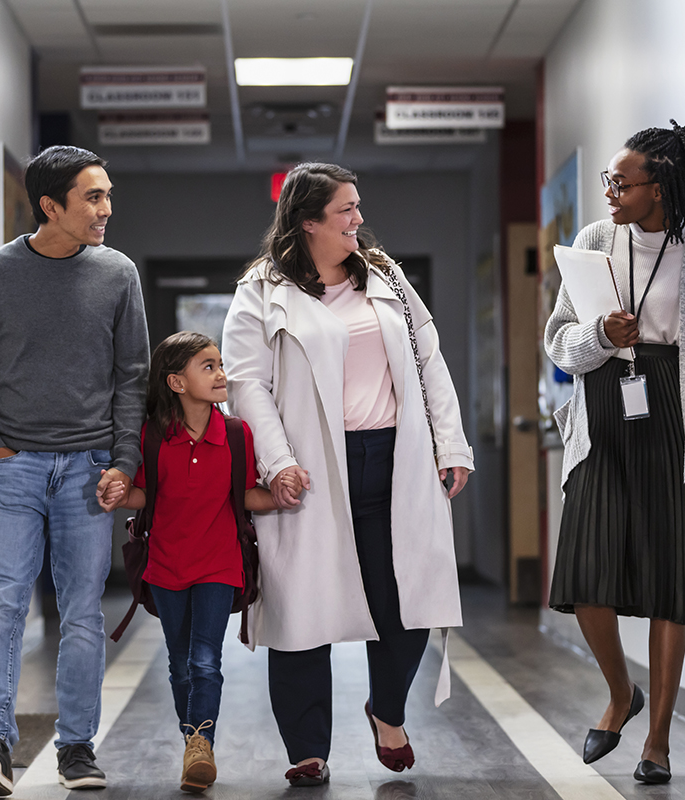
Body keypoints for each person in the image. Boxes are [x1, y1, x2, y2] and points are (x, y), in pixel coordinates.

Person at [221, 163, 474, 787]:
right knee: (302, 606)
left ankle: (386, 711)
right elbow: (248, 386)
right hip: (312, 470)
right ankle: (306, 748)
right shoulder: (262, 289)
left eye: (358, 207)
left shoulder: (384, 276)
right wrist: (277, 462)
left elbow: (428, 360)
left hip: (395, 458)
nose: (359, 219)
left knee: (408, 599)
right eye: (346, 210)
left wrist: (452, 444)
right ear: (309, 223)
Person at [543, 121, 685, 785]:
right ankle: (619, 692)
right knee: (585, 574)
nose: (609, 193)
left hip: (671, 421)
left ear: (658, 188)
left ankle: (656, 741)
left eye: (621, 183)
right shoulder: (595, 242)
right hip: (603, 416)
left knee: (668, 586)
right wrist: (601, 333)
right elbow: (559, 345)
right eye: (608, 180)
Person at [0, 145, 149, 796]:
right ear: (50, 206)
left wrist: (122, 460)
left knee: (83, 612)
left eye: (108, 194)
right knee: (3, 603)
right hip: (13, 470)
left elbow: (133, 378)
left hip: (89, 469)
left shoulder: (118, 274)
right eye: (93, 197)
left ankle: (77, 748)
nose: (107, 209)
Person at [99, 332, 296, 794]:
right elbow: (147, 495)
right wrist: (118, 493)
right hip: (166, 565)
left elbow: (244, 494)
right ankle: (194, 742)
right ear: (176, 382)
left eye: (221, 364)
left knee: (205, 659)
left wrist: (281, 496)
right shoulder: (151, 435)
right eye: (208, 366)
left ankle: (201, 744)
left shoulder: (235, 433)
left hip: (219, 563)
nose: (221, 374)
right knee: (179, 663)